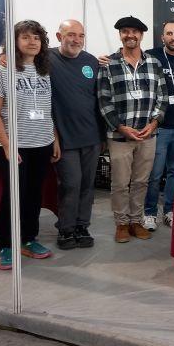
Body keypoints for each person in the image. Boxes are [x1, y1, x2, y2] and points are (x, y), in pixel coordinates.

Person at [0, 20, 60, 270]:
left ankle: (28, 239)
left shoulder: (44, 71)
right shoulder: (2, 71)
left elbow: (47, 109)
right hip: (15, 145)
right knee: (12, 196)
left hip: (41, 142)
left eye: (37, 38)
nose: (32, 42)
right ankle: (6, 245)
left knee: (34, 194)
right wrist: (7, 145)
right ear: (14, 42)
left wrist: (54, 138)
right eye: (26, 37)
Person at [97, 16, 167, 244]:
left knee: (141, 181)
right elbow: (104, 101)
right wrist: (121, 127)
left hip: (148, 135)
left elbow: (162, 97)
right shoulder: (109, 64)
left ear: (141, 35)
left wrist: (154, 124)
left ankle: (136, 221)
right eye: (125, 31)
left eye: (134, 31)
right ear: (120, 35)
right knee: (119, 183)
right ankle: (121, 223)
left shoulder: (154, 63)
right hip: (119, 136)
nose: (130, 35)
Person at [49, 19, 104, 250]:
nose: (77, 40)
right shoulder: (46, 59)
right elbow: (19, 58)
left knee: (88, 185)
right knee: (71, 184)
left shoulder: (91, 62)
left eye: (81, 35)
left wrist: (103, 136)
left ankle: (82, 226)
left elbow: (99, 99)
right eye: (71, 34)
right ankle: (66, 228)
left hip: (91, 136)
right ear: (59, 36)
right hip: (65, 138)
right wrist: (3, 57)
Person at [143, 21, 174, 231]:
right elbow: (127, 55)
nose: (173, 37)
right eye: (169, 33)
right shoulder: (151, 56)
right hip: (159, 126)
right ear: (162, 37)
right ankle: (149, 213)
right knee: (154, 174)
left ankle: (170, 210)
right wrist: (105, 59)